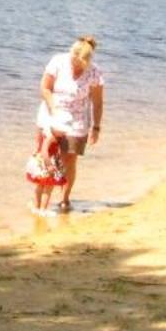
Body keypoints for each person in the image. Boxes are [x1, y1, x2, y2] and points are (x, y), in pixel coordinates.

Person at [37, 35, 104, 213]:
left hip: (78, 121)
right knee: (46, 158)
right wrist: (53, 107)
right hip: (53, 117)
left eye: (80, 65)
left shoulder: (94, 72)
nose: (75, 67)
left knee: (70, 161)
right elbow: (44, 88)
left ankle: (65, 198)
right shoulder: (58, 62)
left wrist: (96, 127)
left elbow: (97, 102)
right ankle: (40, 204)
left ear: (87, 62)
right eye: (73, 62)